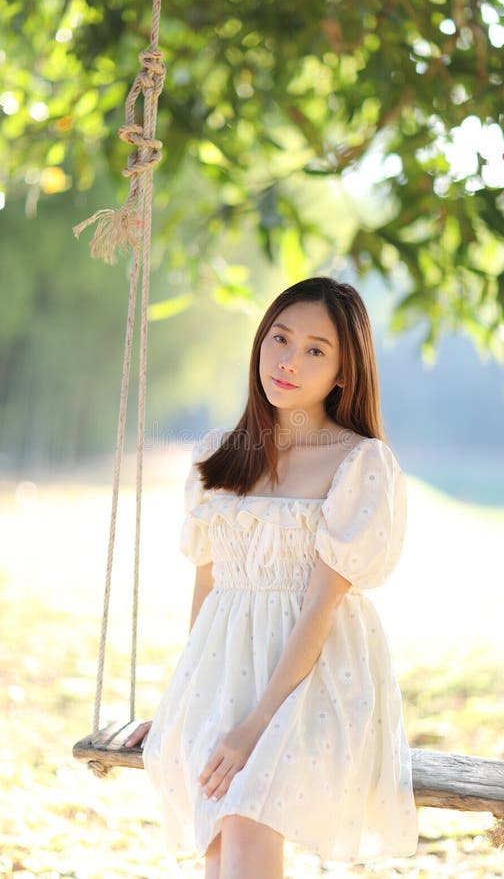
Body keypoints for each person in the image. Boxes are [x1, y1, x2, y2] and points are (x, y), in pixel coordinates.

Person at [125, 275, 418, 878]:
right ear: (259, 342)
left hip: (312, 684)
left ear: (344, 372)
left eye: (316, 349)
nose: (289, 361)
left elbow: (319, 609)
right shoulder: (219, 456)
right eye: (280, 339)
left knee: (247, 810)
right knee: (220, 832)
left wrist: (254, 726)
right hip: (224, 674)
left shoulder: (357, 462)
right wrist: (188, 700)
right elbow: (209, 594)